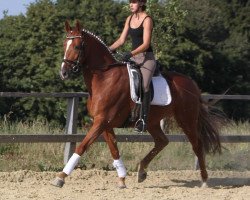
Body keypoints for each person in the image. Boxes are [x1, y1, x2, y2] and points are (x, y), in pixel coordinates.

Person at [109, 0, 156, 132]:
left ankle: (143, 120)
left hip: (147, 59)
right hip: (134, 58)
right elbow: (121, 40)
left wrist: (130, 53)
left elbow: (146, 44)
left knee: (144, 85)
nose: (131, 4)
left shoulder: (147, 20)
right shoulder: (129, 18)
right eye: (130, 2)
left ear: (141, 3)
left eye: (134, 2)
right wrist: (108, 49)